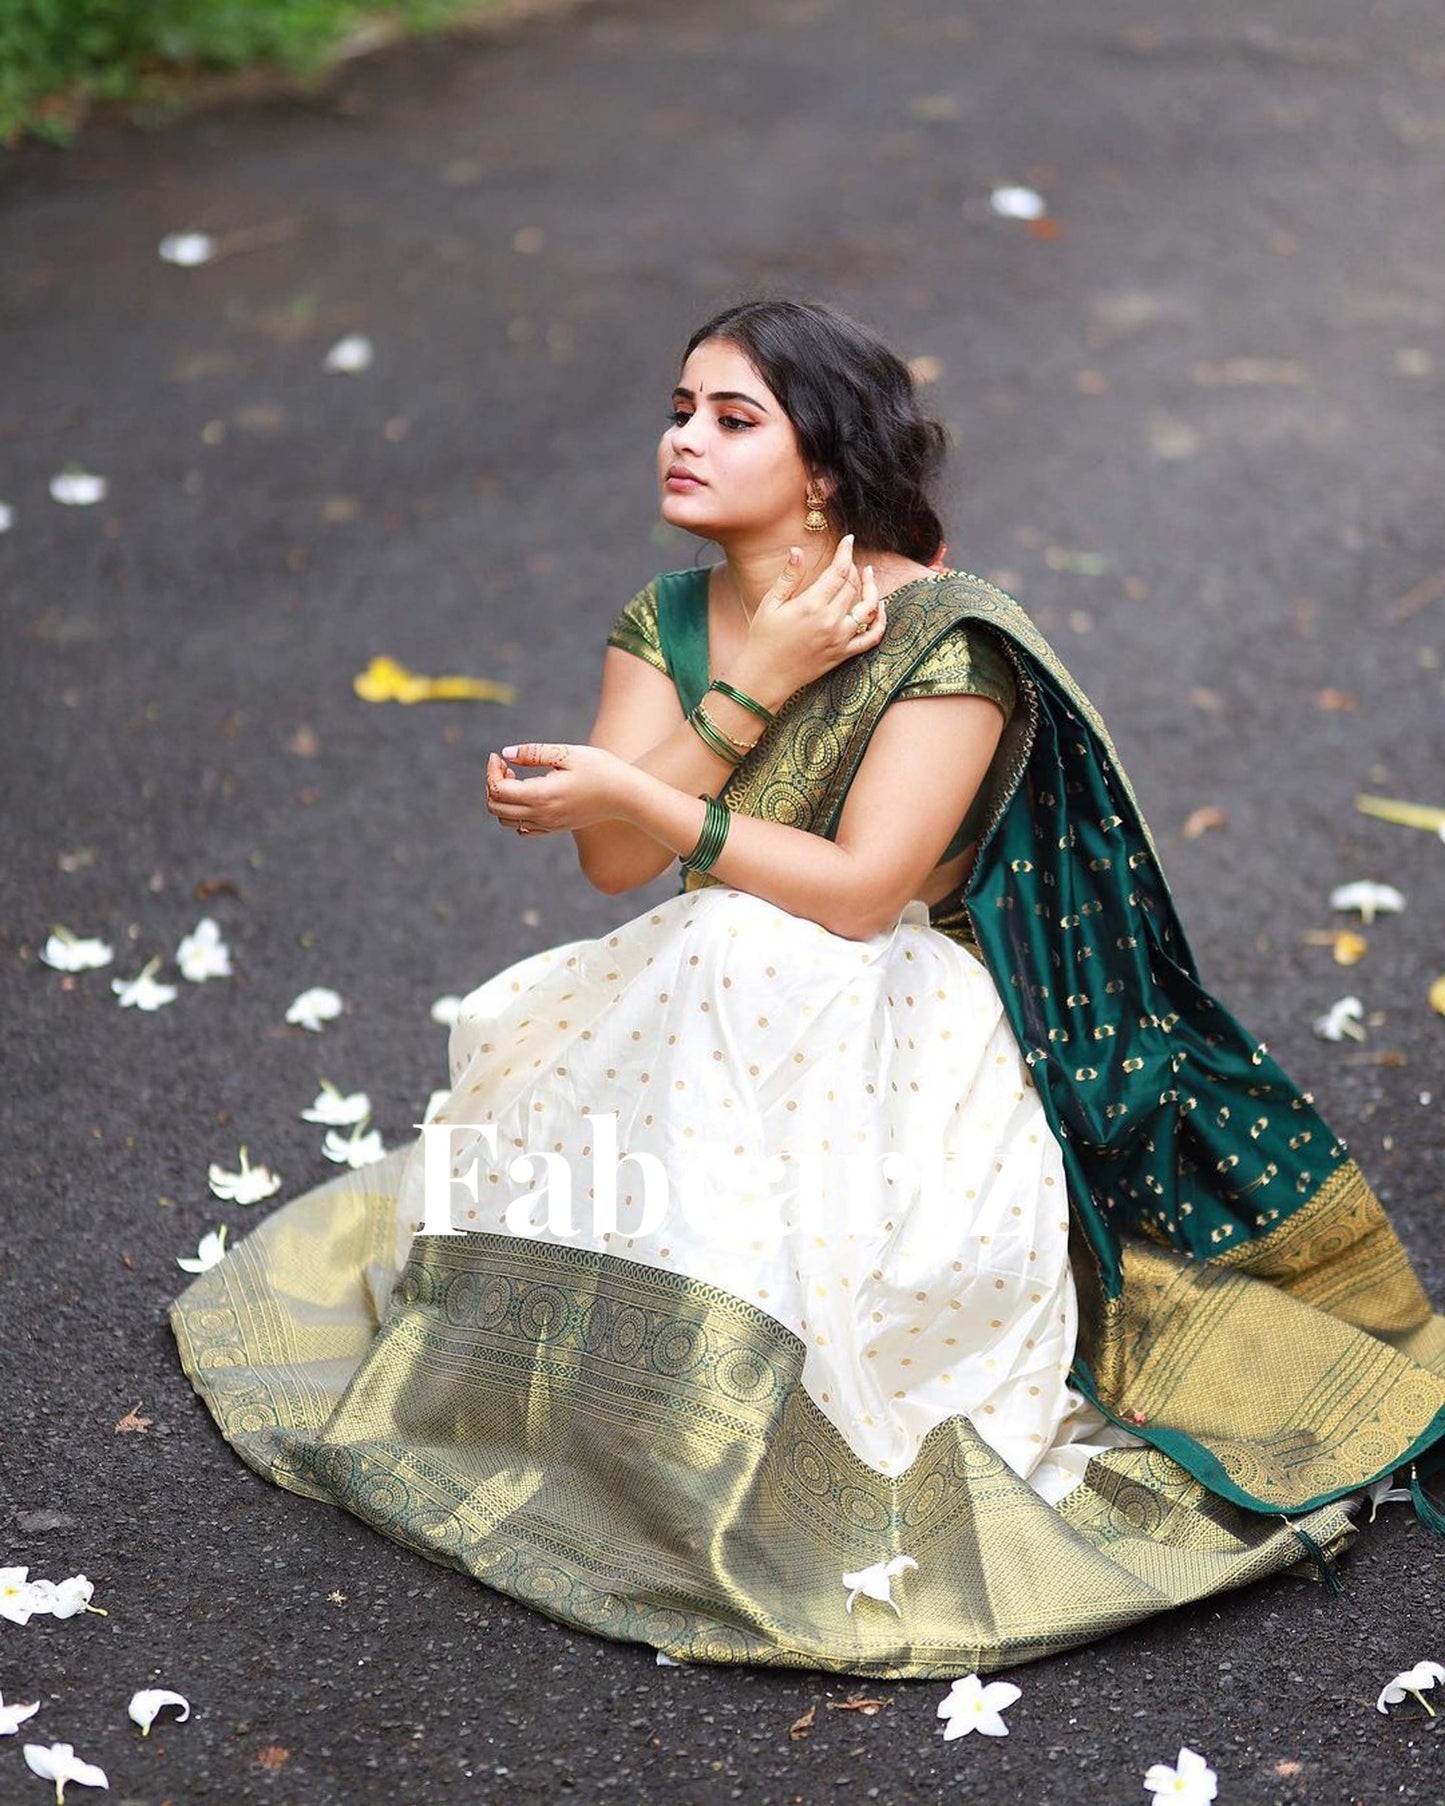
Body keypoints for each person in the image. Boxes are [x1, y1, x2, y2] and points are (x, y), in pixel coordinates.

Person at [171, 297, 1444, 1679]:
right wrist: (752, 675)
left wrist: (663, 779)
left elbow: (856, 887)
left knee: (734, 942)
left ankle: (753, 1424)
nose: (683, 439)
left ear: (824, 466)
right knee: (707, 947)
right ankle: (617, 1397)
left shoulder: (945, 638)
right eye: (677, 410)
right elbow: (607, 856)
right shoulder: (663, 619)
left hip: (899, 1022)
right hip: (709, 999)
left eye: (732, 417)